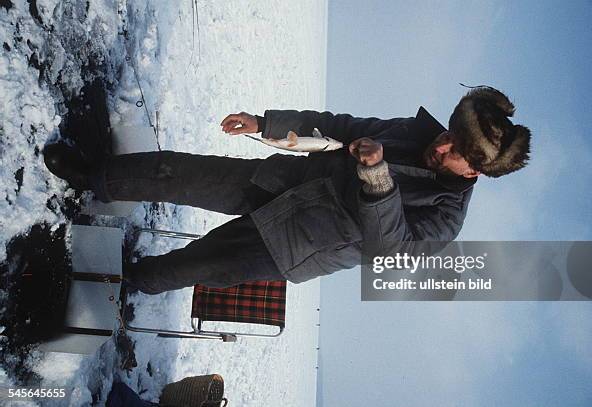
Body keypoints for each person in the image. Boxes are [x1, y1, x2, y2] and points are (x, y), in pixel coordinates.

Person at [44, 86, 531, 294]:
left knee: (192, 265)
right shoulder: (416, 133)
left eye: (456, 151)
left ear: (474, 173)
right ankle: (95, 178)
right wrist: (265, 122)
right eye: (449, 133)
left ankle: (125, 278)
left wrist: (378, 181)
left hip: (293, 243)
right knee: (180, 171)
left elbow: (388, 251)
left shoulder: (446, 218)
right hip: (285, 181)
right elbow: (337, 125)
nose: (442, 146)